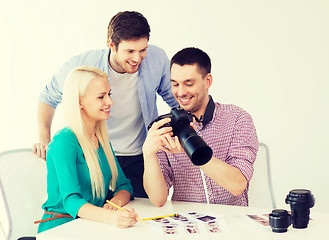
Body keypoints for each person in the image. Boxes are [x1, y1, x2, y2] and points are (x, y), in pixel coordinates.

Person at [33, 11, 178, 198]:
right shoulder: (82, 66)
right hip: (95, 156)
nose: (137, 58)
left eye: (142, 50)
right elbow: (48, 97)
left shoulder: (157, 58)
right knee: (95, 215)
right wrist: (44, 138)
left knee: (140, 214)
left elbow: (174, 97)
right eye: (130, 51)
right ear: (112, 45)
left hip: (138, 156)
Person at [143, 47, 258, 207]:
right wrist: (148, 153)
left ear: (208, 81)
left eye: (188, 84)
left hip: (232, 221)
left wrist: (193, 151)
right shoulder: (166, 128)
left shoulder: (237, 118)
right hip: (186, 223)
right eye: (175, 84)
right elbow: (158, 199)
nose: (181, 92)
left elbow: (237, 185)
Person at [37, 66, 138, 233]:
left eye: (109, 94)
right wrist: (112, 217)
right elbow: (71, 201)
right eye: (101, 97)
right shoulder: (64, 141)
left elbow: (124, 186)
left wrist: (115, 204)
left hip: (92, 225)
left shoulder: (103, 141)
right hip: (61, 230)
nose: (110, 102)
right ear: (79, 102)